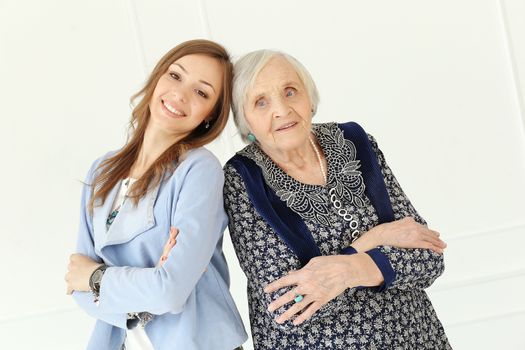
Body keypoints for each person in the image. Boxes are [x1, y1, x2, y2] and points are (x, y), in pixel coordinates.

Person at [223, 49, 452, 349]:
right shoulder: (243, 179)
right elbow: (289, 305)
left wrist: (344, 272)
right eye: (260, 102)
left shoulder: (355, 142)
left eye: (290, 91)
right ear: (244, 120)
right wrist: (374, 240)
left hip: (416, 338)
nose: (281, 110)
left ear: (309, 96)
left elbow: (428, 256)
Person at [65, 39, 247, 350]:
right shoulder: (102, 171)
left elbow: (169, 291)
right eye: (175, 76)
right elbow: (76, 283)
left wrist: (98, 280)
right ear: (158, 77)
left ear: (210, 115)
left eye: (201, 92)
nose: (180, 94)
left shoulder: (199, 170)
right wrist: (147, 282)